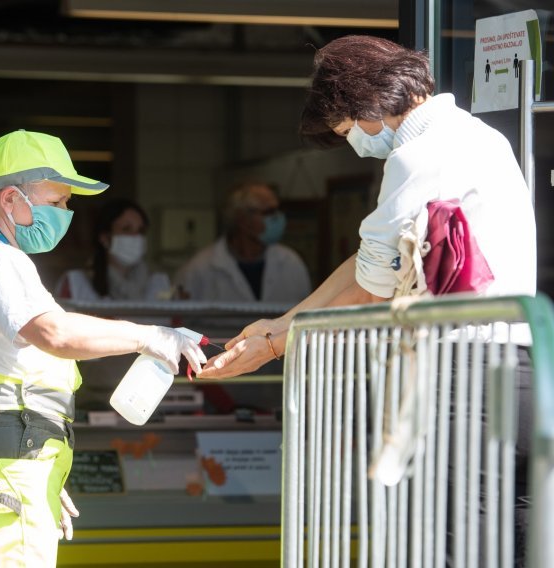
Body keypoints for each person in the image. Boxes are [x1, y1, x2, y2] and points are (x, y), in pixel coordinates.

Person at [196, 35, 536, 566]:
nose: (355, 143)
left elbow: (371, 286)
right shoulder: (481, 137)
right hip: (516, 369)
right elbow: (367, 262)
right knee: (522, 541)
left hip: (460, 379)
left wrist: (272, 344)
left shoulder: (418, 156)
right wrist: (281, 322)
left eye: (347, 130)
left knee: (457, 545)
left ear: (364, 104)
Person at [0, 129, 206, 568]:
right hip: (3, 478)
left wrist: (40, 470)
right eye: (56, 203)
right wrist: (150, 337)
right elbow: (54, 334)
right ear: (11, 200)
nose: (65, 213)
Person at [174, 181, 311, 303]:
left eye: (277, 210)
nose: (278, 218)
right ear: (242, 218)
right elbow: (179, 320)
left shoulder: (292, 263)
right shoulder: (198, 269)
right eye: (269, 212)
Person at [54, 197, 171, 301]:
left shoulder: (159, 283)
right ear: (105, 238)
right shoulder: (76, 283)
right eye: (126, 229)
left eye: (140, 231)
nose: (136, 237)